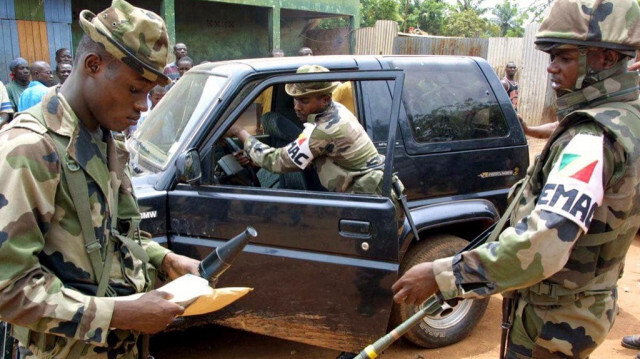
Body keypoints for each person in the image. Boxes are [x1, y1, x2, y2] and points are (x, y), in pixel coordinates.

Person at [391, 1, 640, 358]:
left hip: (554, 321)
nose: (551, 68)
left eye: (565, 58)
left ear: (605, 58)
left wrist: (443, 275)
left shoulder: (589, 141)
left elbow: (543, 245)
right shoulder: (625, 117)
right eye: (551, 57)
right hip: (579, 306)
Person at [0, 0, 201, 358]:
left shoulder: (106, 137)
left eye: (149, 91)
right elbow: (8, 289)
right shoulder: (29, 149)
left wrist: (163, 260)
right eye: (135, 89)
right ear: (93, 65)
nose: (144, 105)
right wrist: (121, 314)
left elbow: (113, 233)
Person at [226, 64, 394, 195]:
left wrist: (240, 132)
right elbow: (305, 155)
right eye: (295, 100)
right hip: (366, 195)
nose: (297, 108)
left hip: (368, 201)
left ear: (325, 99)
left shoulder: (325, 130)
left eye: (304, 101)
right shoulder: (334, 110)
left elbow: (278, 161)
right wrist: (254, 159)